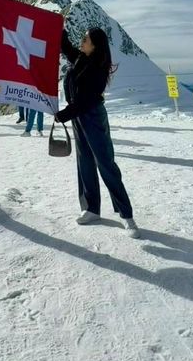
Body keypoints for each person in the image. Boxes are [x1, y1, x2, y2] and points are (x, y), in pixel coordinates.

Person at [56, 27, 139, 237]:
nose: (81, 42)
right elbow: (65, 47)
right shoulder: (81, 58)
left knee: (105, 163)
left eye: (85, 39)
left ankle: (127, 216)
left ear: (95, 45)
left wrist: (64, 114)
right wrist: (59, 26)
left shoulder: (98, 68)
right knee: (84, 162)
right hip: (78, 116)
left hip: (92, 116)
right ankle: (91, 208)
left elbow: (87, 100)